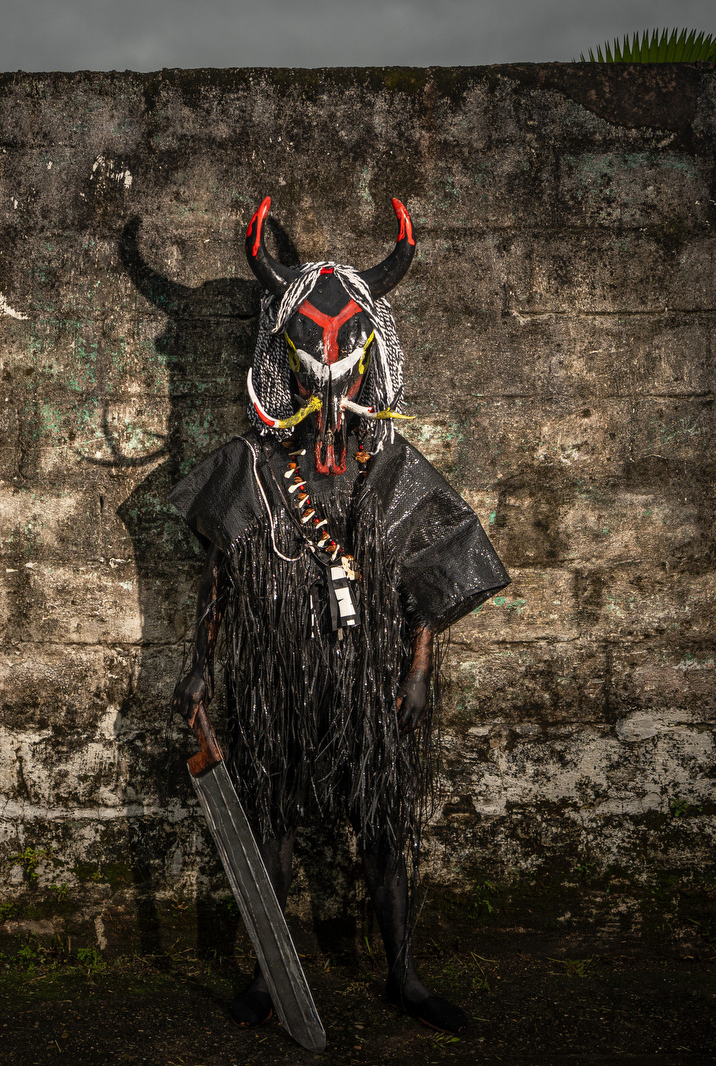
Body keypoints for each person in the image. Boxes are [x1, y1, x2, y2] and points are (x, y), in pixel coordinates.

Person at [169, 197, 509, 1035]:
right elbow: (220, 576)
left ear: (369, 356)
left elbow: (432, 579)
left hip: (370, 680)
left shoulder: (391, 468)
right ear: (280, 357)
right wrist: (201, 667)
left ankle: (404, 975)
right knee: (274, 825)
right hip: (280, 679)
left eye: (344, 354)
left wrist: (417, 671)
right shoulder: (250, 467)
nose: (327, 378)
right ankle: (267, 975)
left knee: (383, 828)